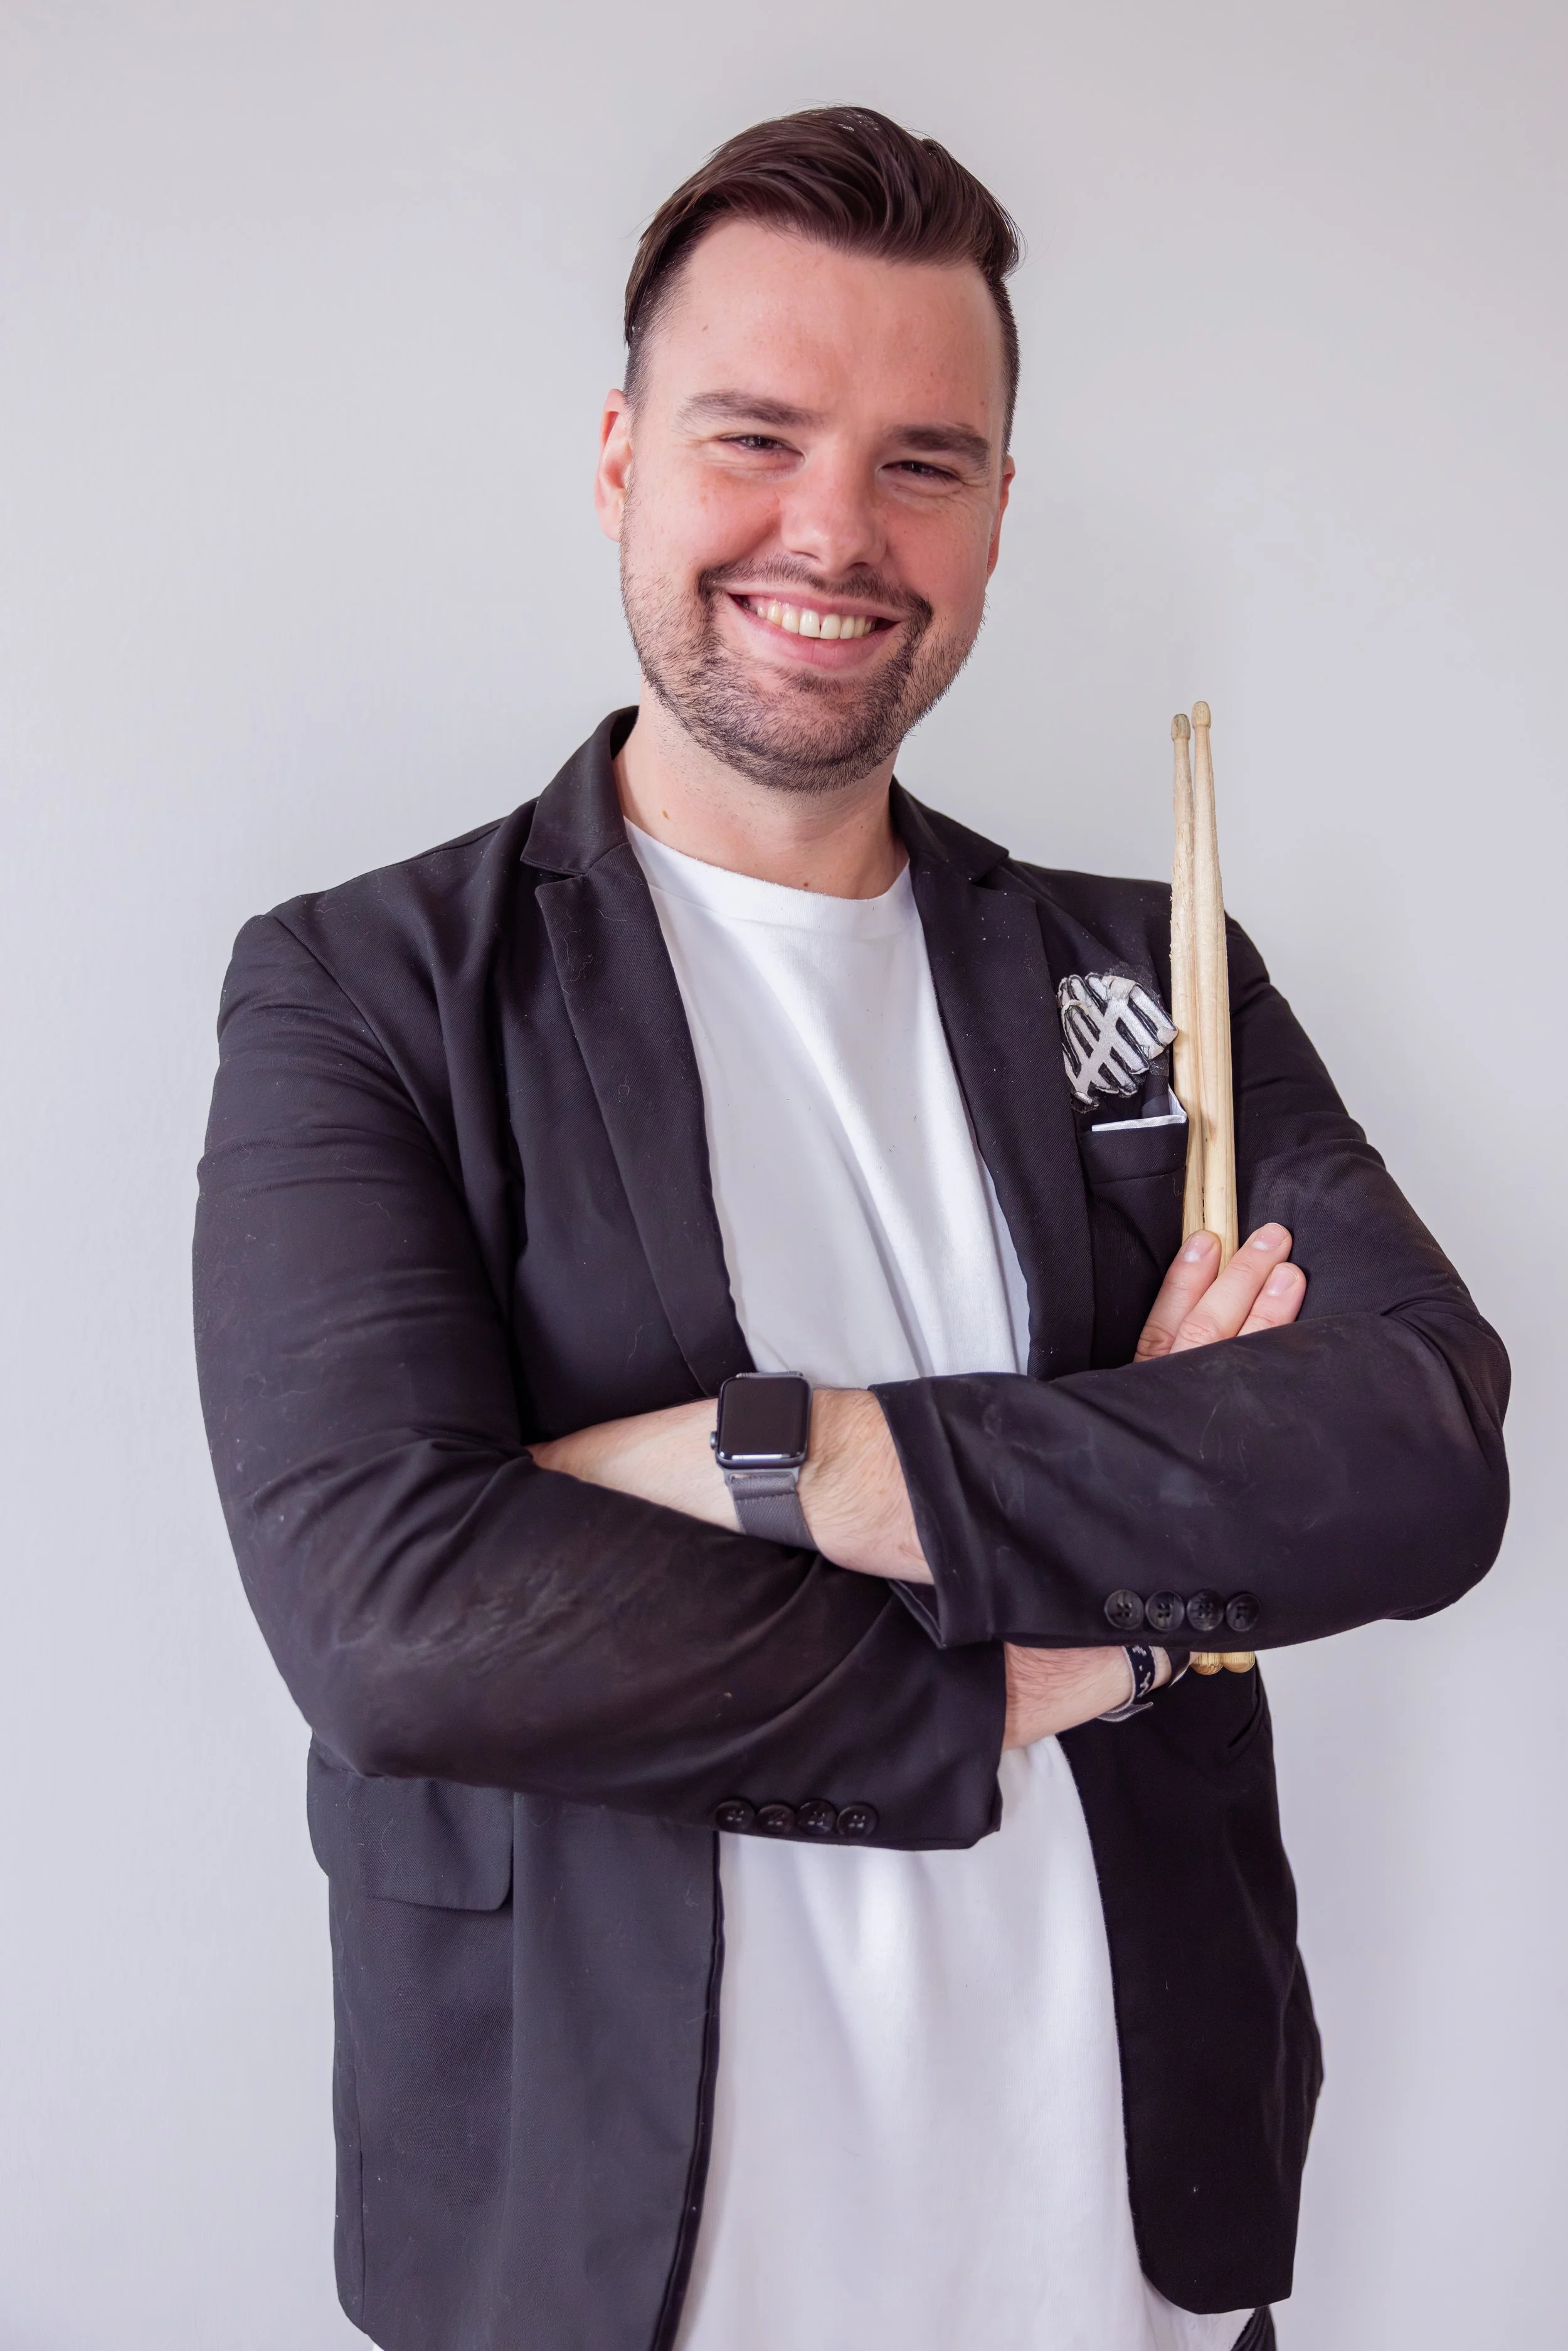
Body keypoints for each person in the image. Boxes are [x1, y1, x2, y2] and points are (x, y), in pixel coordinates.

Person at [193, 106, 1509, 2351]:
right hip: (619, 2279)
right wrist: (1069, 1640)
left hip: (1130, 2282)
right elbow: (394, 1621)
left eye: (924, 459)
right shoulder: (370, 988)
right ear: (618, 455)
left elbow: (1413, 1453)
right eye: (754, 435)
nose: (834, 530)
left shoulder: (1155, 966)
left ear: (999, 513)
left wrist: (780, 1453)